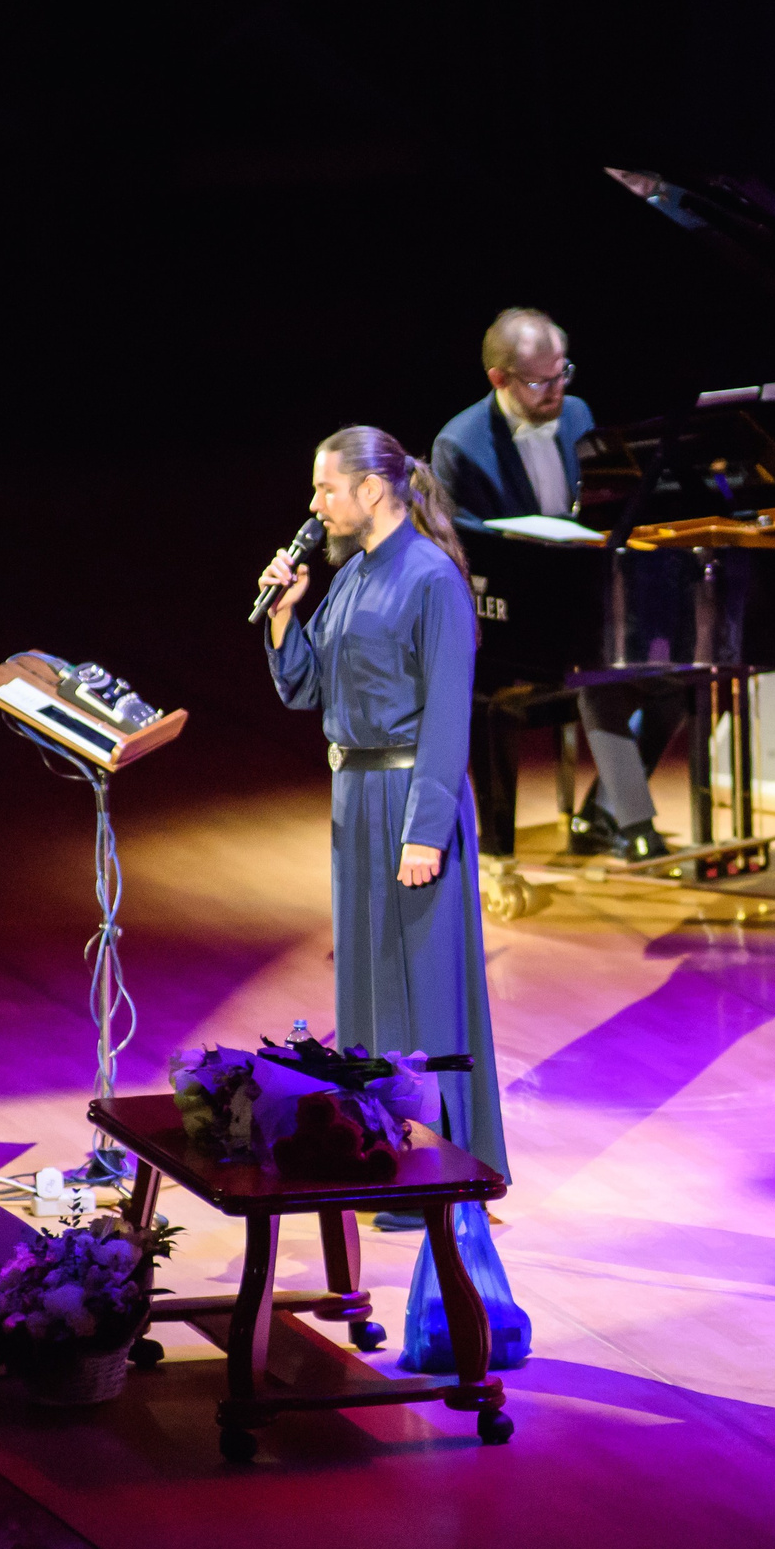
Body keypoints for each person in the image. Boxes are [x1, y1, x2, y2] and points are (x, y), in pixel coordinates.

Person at [258, 424, 529, 1369]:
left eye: (327, 491)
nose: (315, 508)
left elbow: (450, 711)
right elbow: (304, 693)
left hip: (410, 799)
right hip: (353, 798)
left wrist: (426, 828)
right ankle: (387, 1165)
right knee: (373, 992)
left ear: (377, 489)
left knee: (429, 989)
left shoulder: (430, 580)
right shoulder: (352, 574)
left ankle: (447, 1173)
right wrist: (287, 614)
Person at [432, 306, 683, 863]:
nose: (558, 390)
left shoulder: (577, 413)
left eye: (563, 372)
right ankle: (637, 824)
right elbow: (452, 542)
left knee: (677, 679)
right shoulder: (460, 444)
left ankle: (602, 813)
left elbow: (601, 497)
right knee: (596, 671)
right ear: (499, 379)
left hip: (580, 592)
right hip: (514, 617)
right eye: (542, 381)